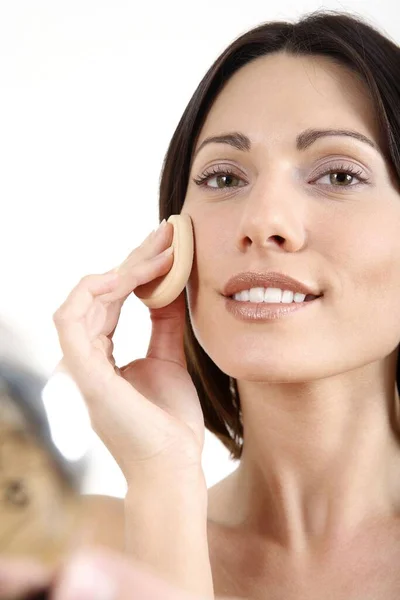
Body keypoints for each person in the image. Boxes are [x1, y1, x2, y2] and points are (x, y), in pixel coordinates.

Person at [3, 6, 400, 599]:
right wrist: (163, 479)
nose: (263, 220)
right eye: (223, 178)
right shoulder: (53, 552)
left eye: (338, 175)